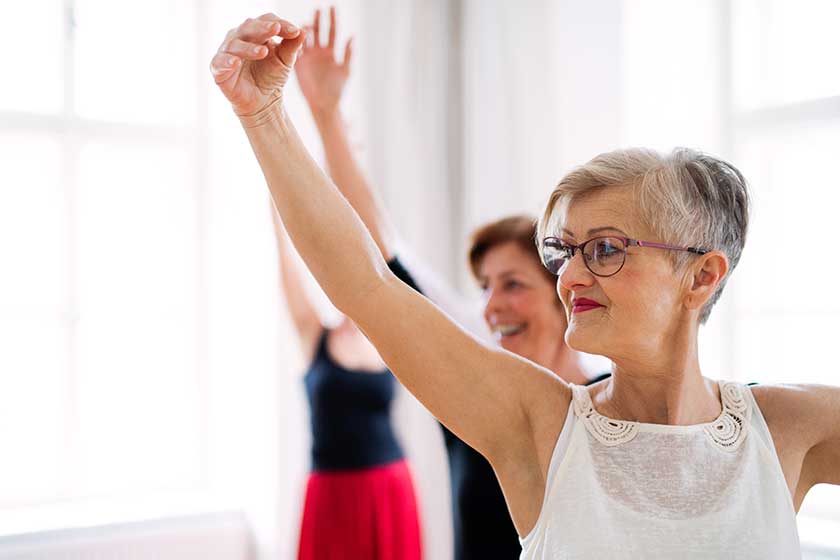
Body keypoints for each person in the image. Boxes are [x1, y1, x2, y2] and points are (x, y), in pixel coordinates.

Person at [210, 17, 840, 559]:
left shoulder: (791, 426)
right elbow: (369, 283)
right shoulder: (538, 424)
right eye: (564, 252)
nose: (569, 276)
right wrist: (264, 116)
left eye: (606, 249)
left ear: (701, 276)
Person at [293, 9, 604, 558]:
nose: (492, 306)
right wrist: (325, 115)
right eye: (484, 286)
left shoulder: (609, 400)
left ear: (565, 292)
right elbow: (381, 248)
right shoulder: (472, 373)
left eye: (513, 284)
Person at [269, 207, 422, 560]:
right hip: (331, 493)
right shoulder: (314, 334)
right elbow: (288, 275)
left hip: (388, 487)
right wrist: (278, 212)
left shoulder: (388, 338)